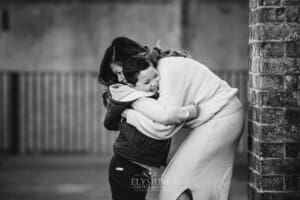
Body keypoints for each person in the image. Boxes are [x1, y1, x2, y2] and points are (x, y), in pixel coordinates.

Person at [99, 36, 244, 200]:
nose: (119, 79)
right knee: (195, 187)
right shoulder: (154, 74)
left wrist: (127, 114)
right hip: (216, 118)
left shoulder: (166, 70)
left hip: (222, 117)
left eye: (119, 72)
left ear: (134, 61)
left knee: (174, 184)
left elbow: (161, 128)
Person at [99, 38, 199, 200]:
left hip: (145, 165)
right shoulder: (129, 94)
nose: (120, 78)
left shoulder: (152, 81)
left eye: (120, 71)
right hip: (128, 165)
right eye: (116, 74)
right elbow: (161, 121)